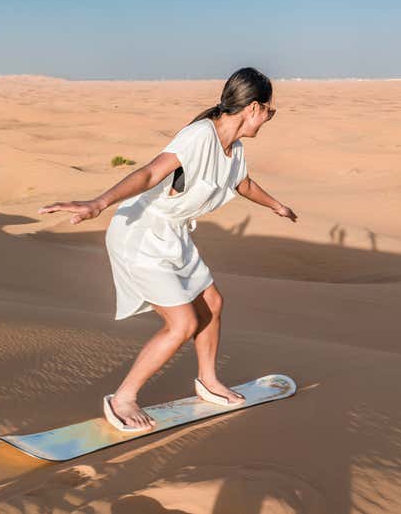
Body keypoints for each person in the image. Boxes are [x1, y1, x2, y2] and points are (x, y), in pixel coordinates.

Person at [37, 67, 297, 431]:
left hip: (172, 235)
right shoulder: (199, 136)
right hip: (140, 235)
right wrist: (98, 203)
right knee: (183, 324)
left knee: (213, 304)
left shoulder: (234, 149)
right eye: (270, 111)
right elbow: (148, 174)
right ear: (253, 108)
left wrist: (275, 205)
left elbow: (243, 183)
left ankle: (208, 380)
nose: (269, 118)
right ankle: (122, 398)